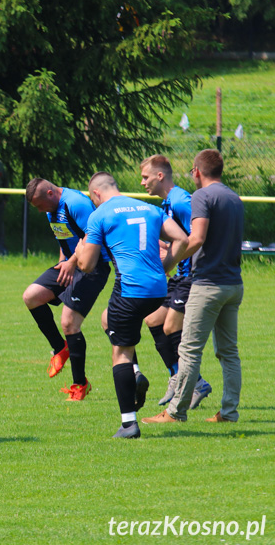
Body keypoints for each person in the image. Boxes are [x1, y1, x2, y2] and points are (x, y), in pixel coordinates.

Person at [75, 172, 188, 439]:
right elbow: (182, 239)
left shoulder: (100, 215)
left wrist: (81, 250)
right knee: (107, 319)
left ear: (96, 194)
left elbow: (86, 265)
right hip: (158, 289)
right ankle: (138, 374)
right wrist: (163, 268)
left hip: (130, 289)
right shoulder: (149, 208)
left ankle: (129, 424)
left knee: (121, 353)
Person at [143, 149, 244, 425]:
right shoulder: (234, 198)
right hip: (233, 284)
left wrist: (170, 260)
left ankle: (175, 412)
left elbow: (196, 238)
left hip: (208, 284)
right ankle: (229, 412)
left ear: (197, 171)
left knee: (188, 349)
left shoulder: (201, 196)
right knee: (228, 352)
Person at [22, 178, 111, 400]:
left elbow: (92, 236)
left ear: (51, 193)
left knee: (69, 322)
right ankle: (60, 348)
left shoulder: (76, 203)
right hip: (70, 264)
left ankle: (80, 385)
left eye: (40, 204)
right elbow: (65, 239)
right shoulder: (50, 208)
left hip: (92, 266)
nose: (40, 210)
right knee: (31, 296)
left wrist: (71, 263)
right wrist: (63, 264)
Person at [138, 155, 211, 407]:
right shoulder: (167, 203)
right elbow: (180, 238)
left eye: (146, 177)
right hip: (178, 276)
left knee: (170, 327)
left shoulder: (180, 200)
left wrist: (172, 256)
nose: (142, 182)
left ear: (160, 176)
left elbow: (200, 235)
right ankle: (176, 376)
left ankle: (195, 383)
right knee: (153, 319)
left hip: (191, 276)